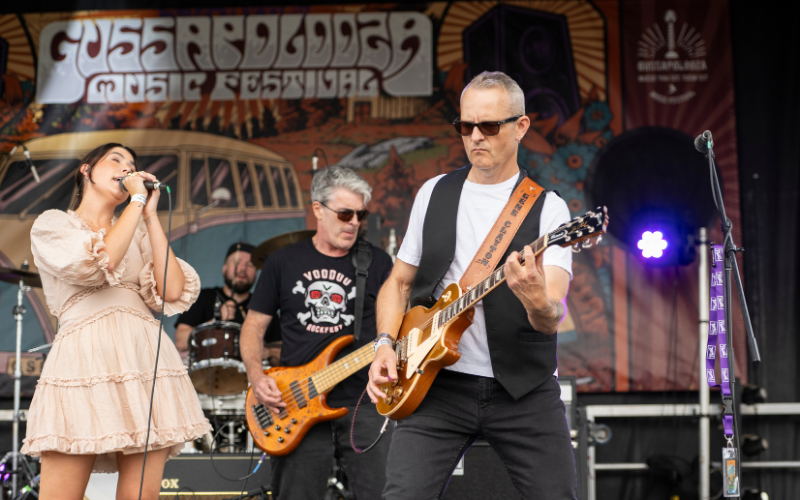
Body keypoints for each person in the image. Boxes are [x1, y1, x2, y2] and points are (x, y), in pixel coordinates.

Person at [367, 71, 577, 499]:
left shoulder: (549, 210)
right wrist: (385, 343)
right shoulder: (433, 193)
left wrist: (535, 298)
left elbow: (550, 315)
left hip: (523, 389)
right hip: (436, 384)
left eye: (489, 126)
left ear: (521, 127)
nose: (475, 136)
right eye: (466, 126)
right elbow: (399, 282)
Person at [21, 144, 212, 500]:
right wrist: (136, 203)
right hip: (84, 363)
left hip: (142, 363)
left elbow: (171, 290)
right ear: (86, 170)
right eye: (116, 160)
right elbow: (103, 260)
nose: (127, 169)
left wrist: (150, 216)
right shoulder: (54, 225)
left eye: (133, 165)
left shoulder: (137, 230)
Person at [240, 166, 395, 500]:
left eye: (360, 214)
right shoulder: (282, 262)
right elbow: (253, 325)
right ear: (318, 210)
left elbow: (397, 323)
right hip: (295, 402)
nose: (354, 222)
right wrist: (256, 373)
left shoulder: (379, 264)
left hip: (364, 402)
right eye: (344, 213)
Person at [174, 242, 281, 366]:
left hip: (251, 380)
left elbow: (280, 352)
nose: (242, 269)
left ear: (256, 273)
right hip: (205, 378)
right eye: (236, 263)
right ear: (224, 268)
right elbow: (180, 342)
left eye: (250, 265)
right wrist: (215, 322)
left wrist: (267, 353)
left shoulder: (266, 307)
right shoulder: (202, 297)